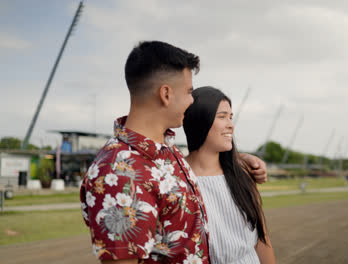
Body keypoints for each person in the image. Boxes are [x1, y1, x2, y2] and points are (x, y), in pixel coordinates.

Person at [80, 41, 268, 264]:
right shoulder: (119, 173)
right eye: (189, 92)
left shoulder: (164, 150)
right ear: (166, 94)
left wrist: (241, 160)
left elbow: (202, 160)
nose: (192, 100)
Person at [183, 87, 276, 264]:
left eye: (231, 117)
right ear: (200, 120)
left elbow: (262, 240)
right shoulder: (175, 177)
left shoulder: (243, 174)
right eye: (222, 116)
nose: (231, 125)